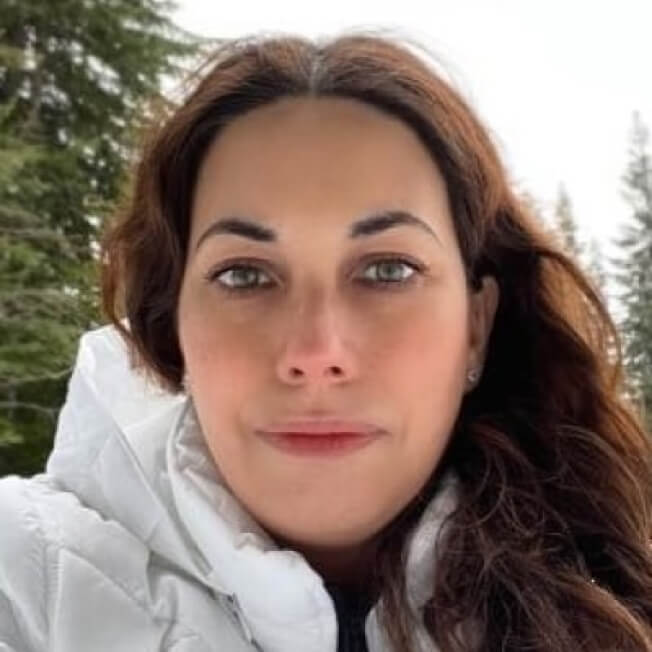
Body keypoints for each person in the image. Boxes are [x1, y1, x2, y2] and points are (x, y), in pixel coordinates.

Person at [1, 30, 651, 652]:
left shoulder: (626, 594)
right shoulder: (24, 576)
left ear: (476, 326)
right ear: (173, 323)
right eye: (244, 275)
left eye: (388, 270)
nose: (315, 354)